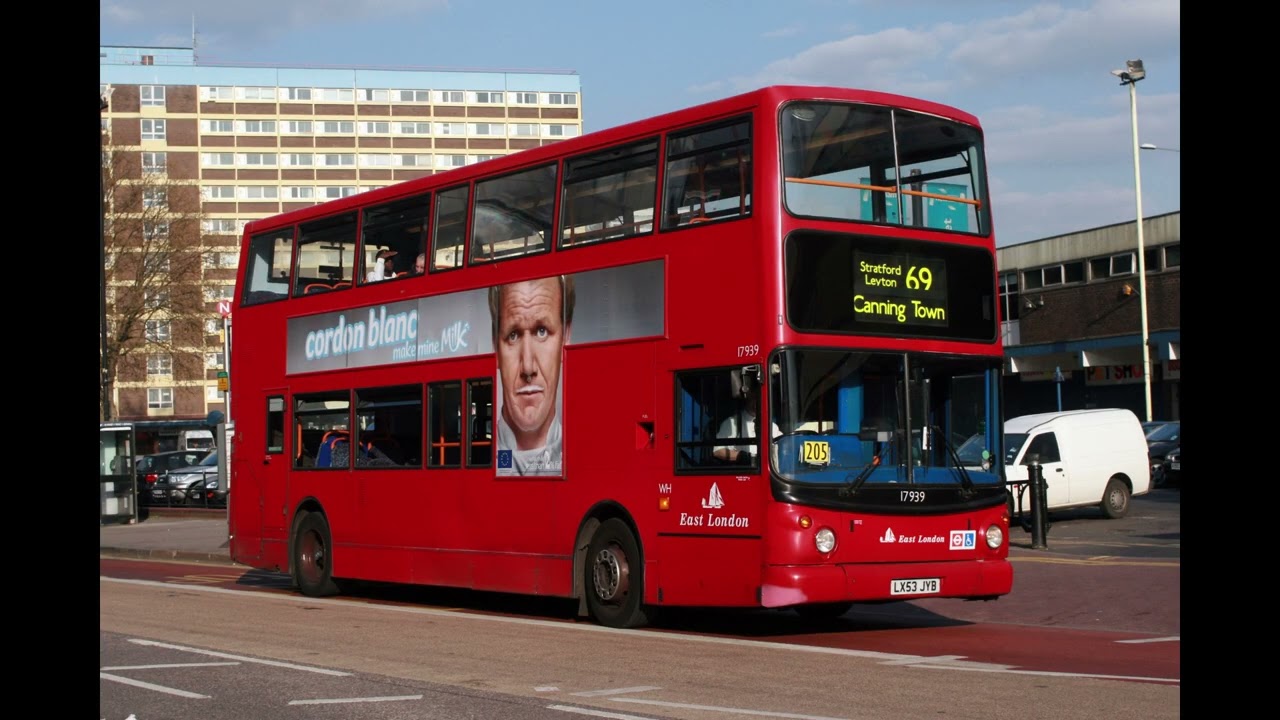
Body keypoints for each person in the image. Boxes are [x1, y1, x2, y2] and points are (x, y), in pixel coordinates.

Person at [488, 275, 575, 476]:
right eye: (513, 335)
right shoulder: (480, 458)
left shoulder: (586, 457)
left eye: (542, 331)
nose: (528, 367)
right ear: (495, 346)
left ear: (566, 337)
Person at [713, 392, 779, 463]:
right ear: (747, 398)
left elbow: (784, 446)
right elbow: (718, 451)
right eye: (753, 398)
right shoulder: (731, 423)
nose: (756, 401)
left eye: (759, 398)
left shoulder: (772, 426)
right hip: (745, 470)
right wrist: (742, 457)